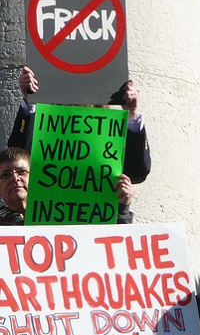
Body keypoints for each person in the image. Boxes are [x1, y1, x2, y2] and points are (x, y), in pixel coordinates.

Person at [8, 66, 151, 184]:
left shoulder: (109, 131)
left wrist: (132, 115)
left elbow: (137, 173)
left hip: (95, 208)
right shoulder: (47, 126)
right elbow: (16, 156)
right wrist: (30, 101)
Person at [0, 147, 134, 225]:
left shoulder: (67, 213)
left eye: (22, 172)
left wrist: (122, 208)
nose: (15, 178)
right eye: (6, 175)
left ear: (36, 177)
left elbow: (112, 245)